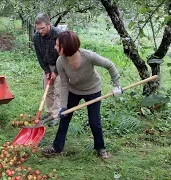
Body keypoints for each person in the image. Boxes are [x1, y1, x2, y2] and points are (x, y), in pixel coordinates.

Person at [41, 30, 123, 159]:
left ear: (66, 46)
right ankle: (57, 148)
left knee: (94, 122)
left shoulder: (88, 56)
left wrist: (116, 85)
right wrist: (63, 106)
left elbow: (110, 65)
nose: (55, 47)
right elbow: (64, 84)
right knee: (64, 118)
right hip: (74, 90)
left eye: (57, 45)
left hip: (93, 90)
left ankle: (100, 148)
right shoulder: (60, 61)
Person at [33, 13, 63, 125]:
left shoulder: (58, 34)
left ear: (49, 24)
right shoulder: (36, 37)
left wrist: (55, 72)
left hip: (61, 65)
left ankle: (56, 115)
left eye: (42, 28)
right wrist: (47, 71)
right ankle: (49, 112)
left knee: (58, 90)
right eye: (38, 28)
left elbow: (63, 56)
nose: (40, 31)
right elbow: (39, 56)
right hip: (47, 65)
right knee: (48, 89)